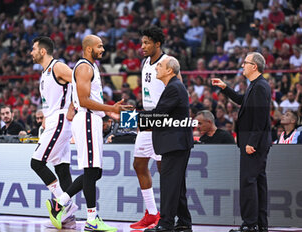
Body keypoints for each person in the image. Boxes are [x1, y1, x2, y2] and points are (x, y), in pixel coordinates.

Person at [46, 35, 131, 231]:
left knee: (95, 172)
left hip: (91, 119)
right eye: (99, 46)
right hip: (86, 119)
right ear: (88, 48)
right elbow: (83, 101)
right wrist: (110, 108)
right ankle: (91, 220)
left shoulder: (90, 66)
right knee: (91, 171)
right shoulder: (84, 67)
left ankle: (60, 203)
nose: (103, 49)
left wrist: (108, 112)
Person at [212, 52, 271, 232]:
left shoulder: (260, 86)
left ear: (254, 66)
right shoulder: (256, 85)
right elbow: (242, 101)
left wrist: (252, 142)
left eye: (245, 63)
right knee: (258, 183)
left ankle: (249, 224)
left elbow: (261, 118)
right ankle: (260, 225)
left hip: (254, 143)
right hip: (256, 141)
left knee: (248, 182)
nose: (242, 65)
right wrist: (225, 87)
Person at [29, 36, 77, 229]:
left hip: (60, 121)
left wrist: (74, 104)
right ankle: (68, 218)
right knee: (62, 169)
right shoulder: (45, 72)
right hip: (55, 122)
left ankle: (65, 205)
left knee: (37, 163)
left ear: (42, 51)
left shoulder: (58, 67)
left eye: (33, 49)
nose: (30, 52)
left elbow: (80, 79)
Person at [142, 56, 193, 232]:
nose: (156, 68)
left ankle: (165, 223)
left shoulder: (173, 88)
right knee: (176, 185)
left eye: (160, 66)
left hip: (175, 144)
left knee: (170, 184)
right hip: (176, 144)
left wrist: (127, 119)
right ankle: (184, 222)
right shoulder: (173, 87)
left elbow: (157, 115)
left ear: (169, 70)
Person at [130, 26, 166, 230]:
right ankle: (152, 213)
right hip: (147, 120)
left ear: (157, 44)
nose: (142, 46)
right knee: (139, 164)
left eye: (146, 43)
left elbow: (177, 91)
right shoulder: (145, 62)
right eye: (142, 42)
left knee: (164, 169)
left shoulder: (167, 62)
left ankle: (167, 216)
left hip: (161, 121)